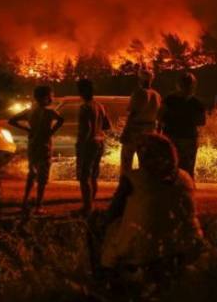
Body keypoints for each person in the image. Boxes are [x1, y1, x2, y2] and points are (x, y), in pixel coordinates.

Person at [101, 133, 203, 285]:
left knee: (107, 230)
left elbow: (112, 214)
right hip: (188, 247)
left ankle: (106, 277)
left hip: (145, 252)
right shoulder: (185, 177)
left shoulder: (133, 179)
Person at [9, 85, 64, 215]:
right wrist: (51, 132)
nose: (52, 98)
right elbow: (61, 120)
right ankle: (39, 205)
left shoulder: (30, 111)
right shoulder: (50, 112)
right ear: (45, 97)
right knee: (42, 177)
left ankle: (25, 202)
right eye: (51, 95)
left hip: (32, 145)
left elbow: (12, 120)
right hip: (44, 147)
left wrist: (28, 129)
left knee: (31, 173)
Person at [160, 72, 206, 179]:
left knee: (170, 165)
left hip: (171, 137)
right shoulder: (197, 103)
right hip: (189, 138)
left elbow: (160, 116)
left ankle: (171, 190)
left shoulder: (169, 100)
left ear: (178, 85)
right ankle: (187, 189)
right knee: (188, 168)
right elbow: (202, 122)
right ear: (194, 86)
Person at [76, 78, 111, 215]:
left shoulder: (85, 107)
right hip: (99, 142)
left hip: (89, 143)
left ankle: (87, 207)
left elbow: (86, 129)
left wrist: (81, 145)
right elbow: (107, 126)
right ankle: (91, 204)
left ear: (81, 91)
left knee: (84, 177)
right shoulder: (100, 106)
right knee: (93, 175)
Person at [120, 69, 161, 173]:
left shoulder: (139, 93)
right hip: (150, 132)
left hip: (135, 132)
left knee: (126, 162)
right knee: (144, 163)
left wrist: (125, 132)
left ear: (141, 79)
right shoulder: (157, 95)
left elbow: (133, 114)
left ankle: (126, 185)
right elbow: (159, 116)